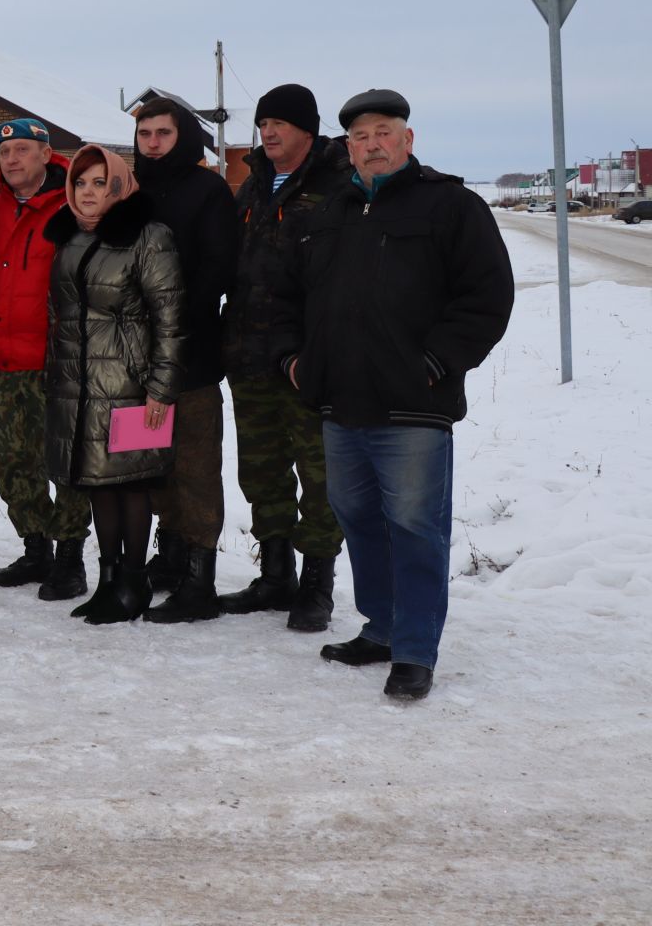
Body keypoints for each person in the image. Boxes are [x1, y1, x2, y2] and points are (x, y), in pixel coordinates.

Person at [275, 90, 513, 701]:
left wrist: (435, 362)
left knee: (413, 526)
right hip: (339, 401)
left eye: (384, 132)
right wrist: (296, 362)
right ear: (346, 148)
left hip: (413, 403)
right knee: (358, 521)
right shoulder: (330, 212)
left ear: (408, 140)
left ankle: (412, 650)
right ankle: (381, 628)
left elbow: (486, 296)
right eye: (360, 136)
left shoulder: (450, 206)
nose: (373, 144)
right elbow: (285, 296)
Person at [219, 85, 350, 630]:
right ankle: (276, 575)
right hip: (248, 355)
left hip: (305, 361)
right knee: (262, 470)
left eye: (279, 123)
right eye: (263, 123)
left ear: (308, 130)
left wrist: (316, 352)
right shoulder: (251, 185)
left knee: (320, 476)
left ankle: (317, 585)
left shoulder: (336, 185)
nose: (268, 133)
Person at [42, 145, 185, 625]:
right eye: (81, 183)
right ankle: (108, 579)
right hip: (80, 387)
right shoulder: (70, 238)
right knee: (98, 484)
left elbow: (169, 319)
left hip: (132, 385)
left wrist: (161, 389)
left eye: (99, 183)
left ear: (120, 187)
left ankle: (133, 581)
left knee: (133, 485)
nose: (87, 193)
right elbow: (60, 318)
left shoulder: (148, 237)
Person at [129, 98, 237, 625]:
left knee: (194, 468)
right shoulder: (131, 190)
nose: (152, 142)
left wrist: (169, 317)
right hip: (136, 359)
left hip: (190, 355)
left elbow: (218, 269)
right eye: (145, 133)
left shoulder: (209, 190)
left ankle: (200, 579)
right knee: (152, 465)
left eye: (163, 133)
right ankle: (168, 559)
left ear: (184, 136)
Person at [0, 119, 88, 600]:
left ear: (46, 154)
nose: (12, 160)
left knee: (67, 461)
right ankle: (35, 547)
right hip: (6, 360)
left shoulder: (73, 206)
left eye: (22, 150)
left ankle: (70, 558)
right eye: (4, 152)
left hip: (58, 360)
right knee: (14, 463)